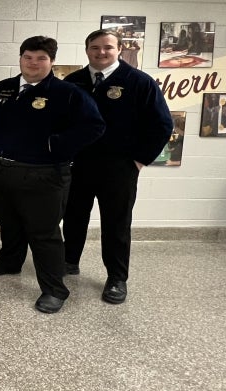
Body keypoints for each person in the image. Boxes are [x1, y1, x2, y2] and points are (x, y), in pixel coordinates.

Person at [0, 36, 105, 314]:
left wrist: (55, 145)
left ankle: (54, 290)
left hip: (43, 175)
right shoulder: (3, 89)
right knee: (9, 223)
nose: (33, 63)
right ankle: (10, 261)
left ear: (51, 61)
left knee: (44, 234)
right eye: (28, 57)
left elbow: (94, 126)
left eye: (41, 58)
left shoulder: (68, 93)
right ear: (21, 58)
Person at [62, 30, 173, 305]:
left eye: (108, 47)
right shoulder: (73, 82)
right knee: (74, 216)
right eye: (95, 47)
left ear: (119, 49)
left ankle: (116, 278)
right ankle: (69, 261)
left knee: (116, 223)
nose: (101, 52)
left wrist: (138, 160)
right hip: (79, 165)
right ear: (87, 49)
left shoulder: (139, 82)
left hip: (119, 168)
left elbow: (162, 125)